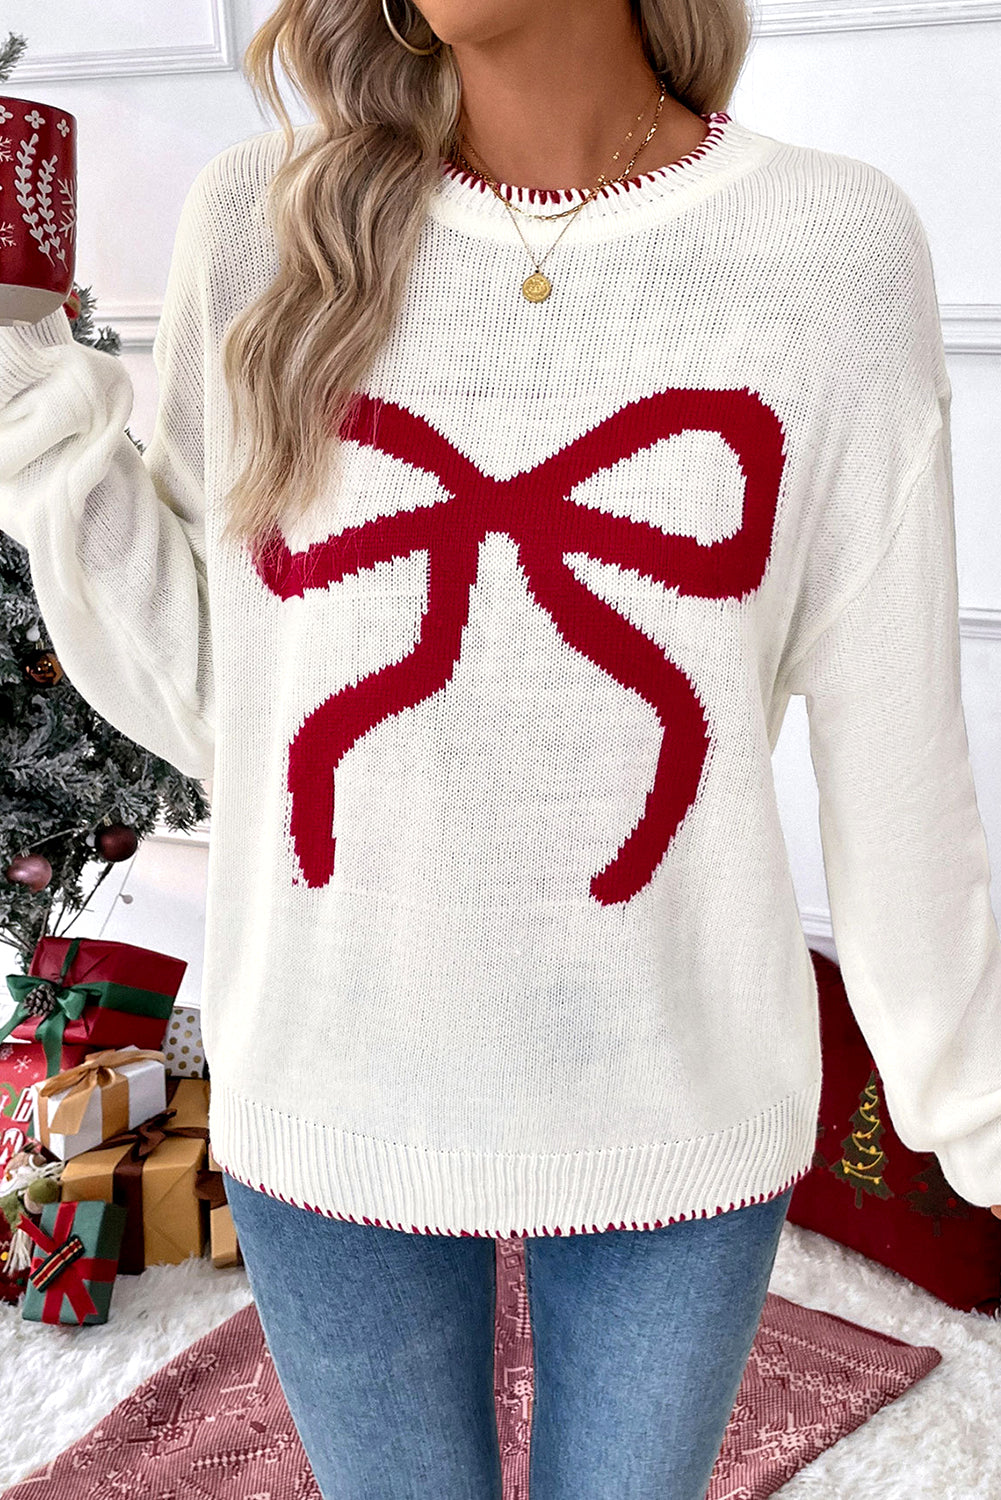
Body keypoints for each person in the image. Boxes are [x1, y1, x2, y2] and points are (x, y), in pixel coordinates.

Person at [2, 1, 1000, 1496]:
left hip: (676, 1094)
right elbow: (231, 695)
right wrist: (20, 370)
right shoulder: (264, 226)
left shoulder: (829, 252)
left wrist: (978, 1117)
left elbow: (896, 752)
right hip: (331, 1084)